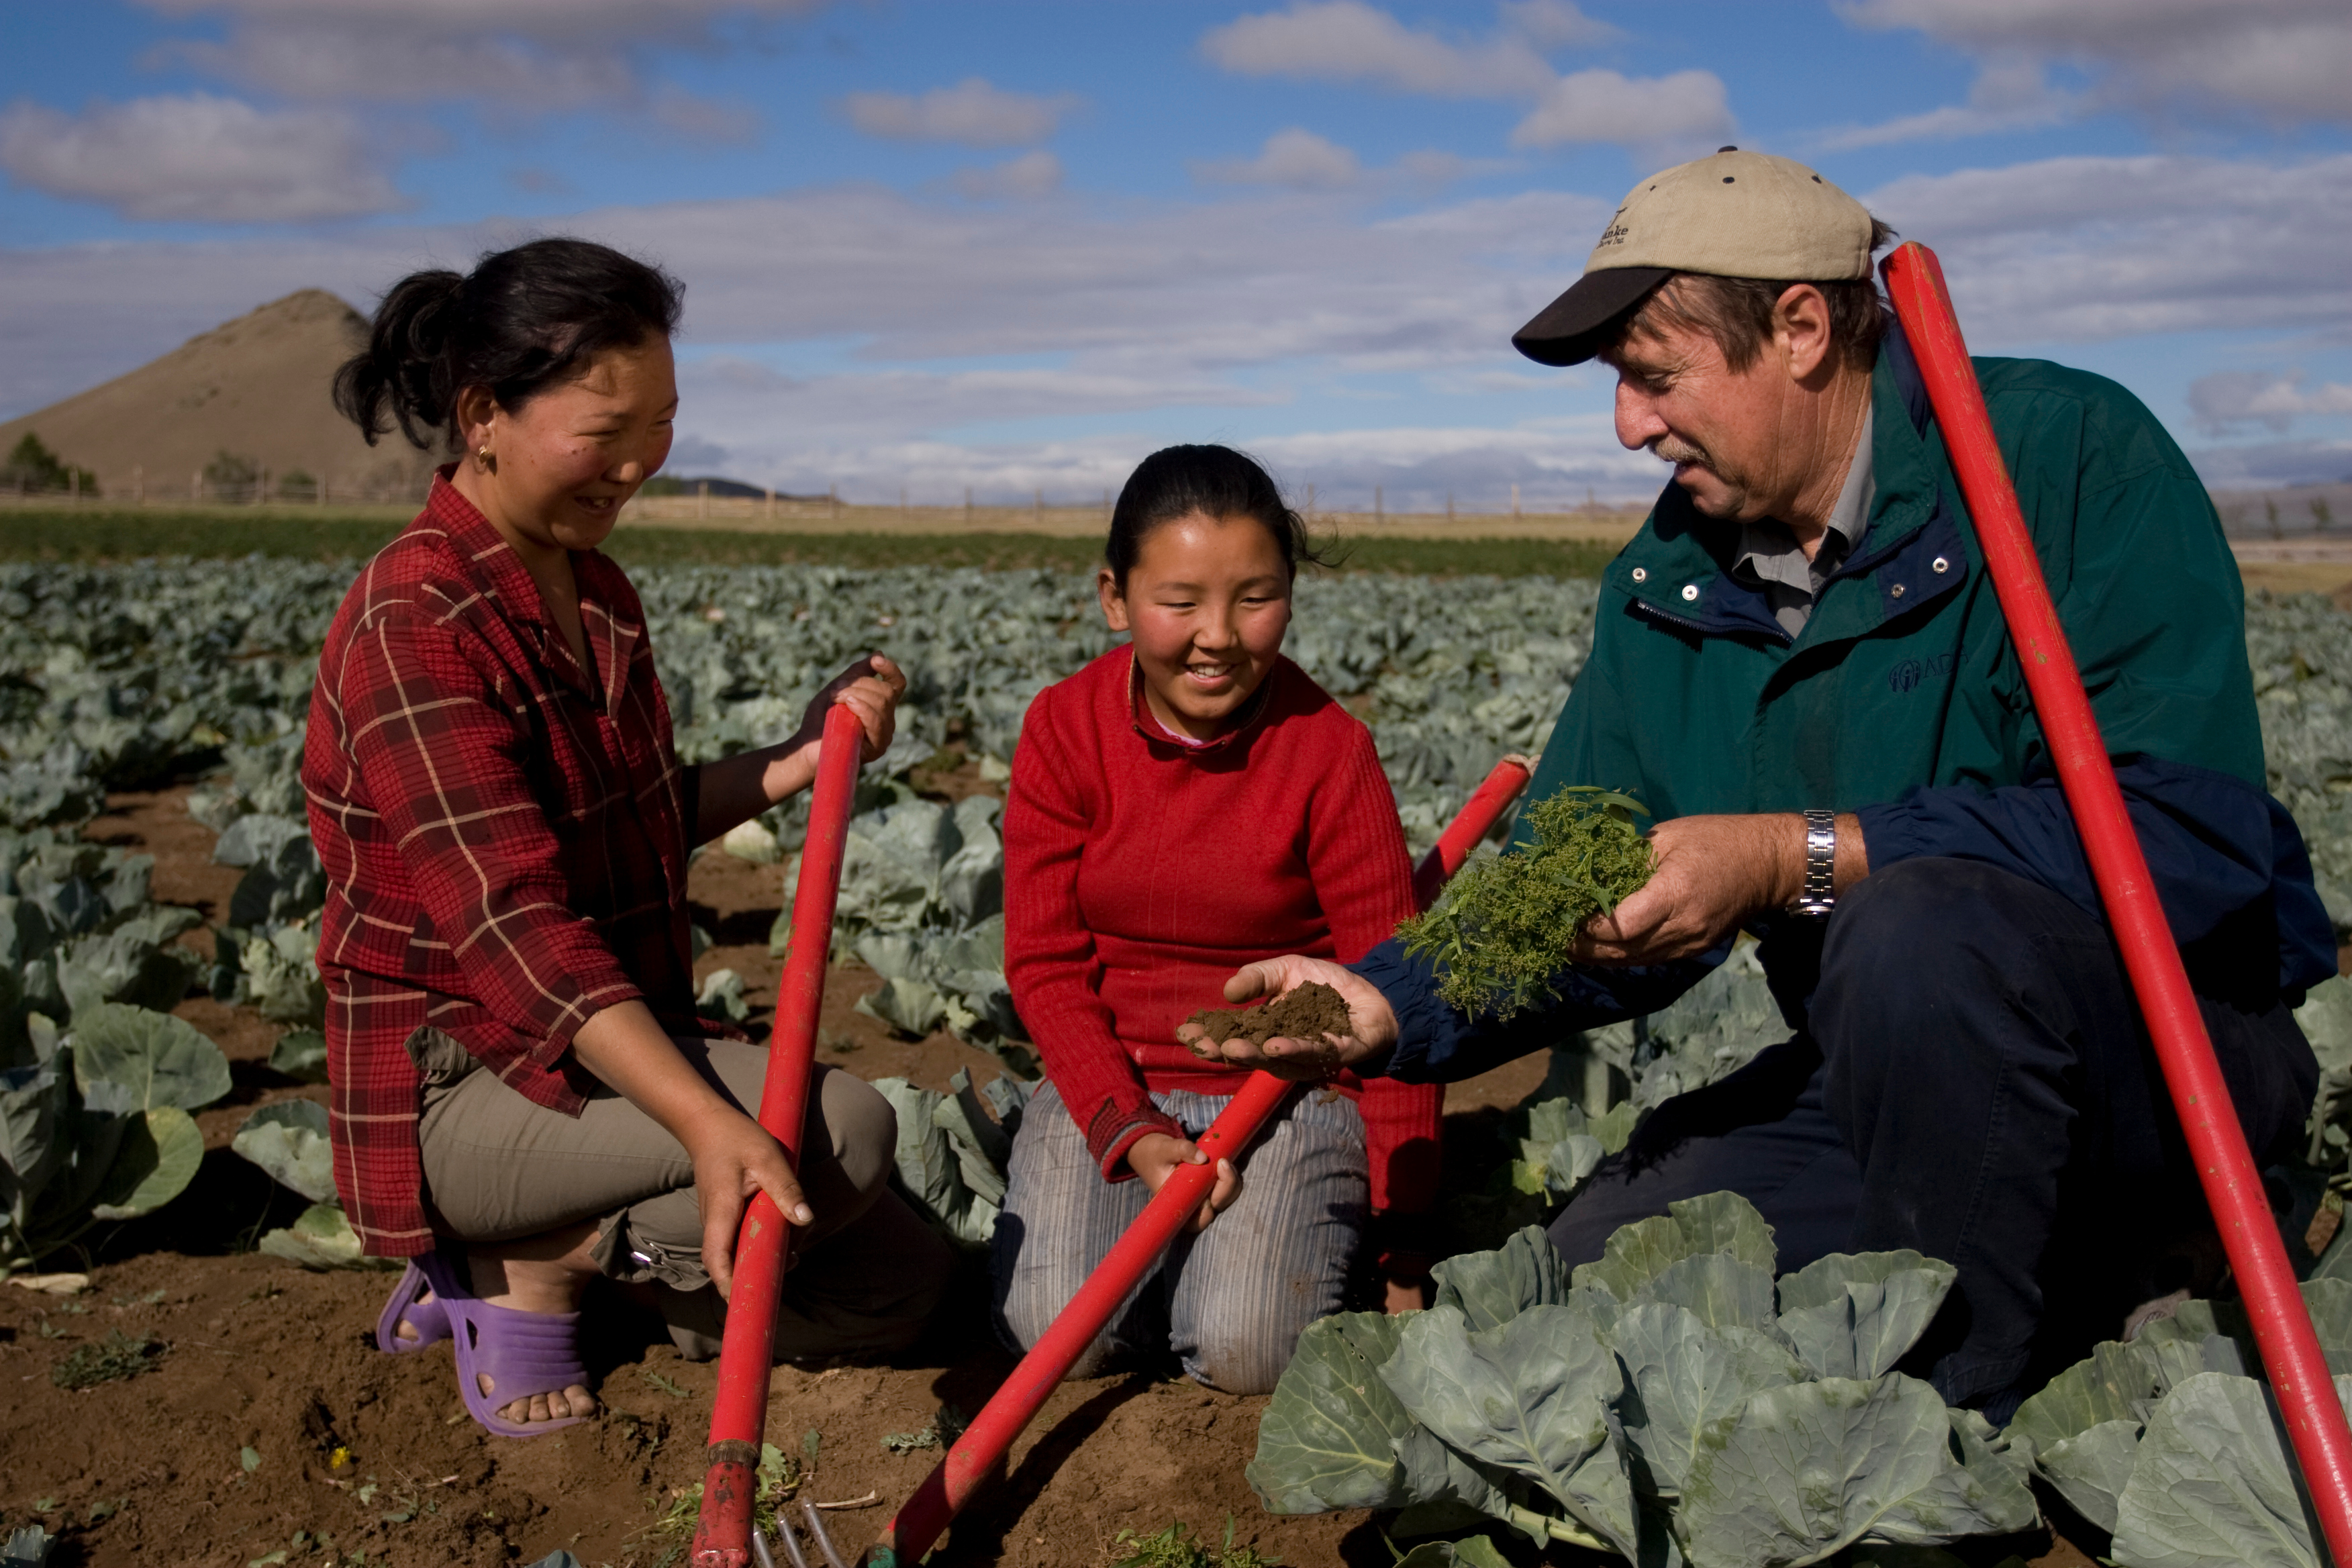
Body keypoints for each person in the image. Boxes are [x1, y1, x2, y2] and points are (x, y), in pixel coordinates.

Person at [1187, 150, 2328, 1422]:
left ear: (1799, 329)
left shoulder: (2066, 459)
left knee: (1915, 932)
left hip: (2172, 1076)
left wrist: (1799, 855)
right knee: (1598, 1279)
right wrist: (1385, 1003)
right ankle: (2081, 1282)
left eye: (1653, 375)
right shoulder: (1672, 577)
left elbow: (2193, 840)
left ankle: (1959, 1430)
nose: (1627, 424)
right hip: (1891, 1080)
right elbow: (1575, 889)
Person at [306, 236, 952, 1438]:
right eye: (605, 432)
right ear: (486, 414)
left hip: (589, 1052)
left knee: (900, 1294)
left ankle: (606, 1262)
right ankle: (521, 1263)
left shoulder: (592, 587)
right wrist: (711, 1123)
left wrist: (792, 764)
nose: (639, 463)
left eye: (660, 425)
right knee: (838, 1129)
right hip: (464, 1078)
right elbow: (515, 922)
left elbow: (636, 812)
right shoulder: (417, 619)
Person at [995, 444, 1445, 1395]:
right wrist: (1133, 1133)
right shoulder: (1064, 729)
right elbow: (1043, 966)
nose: (1219, 635)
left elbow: (1394, 987)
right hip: (1115, 1087)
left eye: (1255, 596)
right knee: (1058, 1339)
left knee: (1247, 1353)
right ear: (1116, 598)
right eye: (1181, 601)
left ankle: (1224, 1274)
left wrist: (1405, 1255)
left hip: (1284, 1093)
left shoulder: (1330, 753)